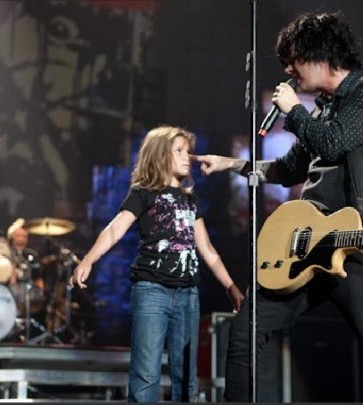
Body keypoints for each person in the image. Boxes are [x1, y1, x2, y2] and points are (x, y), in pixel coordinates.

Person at [192, 12, 363, 402]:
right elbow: (288, 169)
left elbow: (332, 143)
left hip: (352, 243)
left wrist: (295, 110)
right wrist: (231, 164)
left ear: (321, 55)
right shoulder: (321, 110)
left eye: (293, 60)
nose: (288, 70)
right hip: (303, 246)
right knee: (246, 329)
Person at [70, 125, 244, 402]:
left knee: (186, 377)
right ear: (160, 156)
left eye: (188, 151)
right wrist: (89, 260)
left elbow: (208, 250)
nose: (187, 157)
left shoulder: (191, 200)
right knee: (145, 375)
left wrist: (231, 286)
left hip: (188, 294)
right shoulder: (143, 193)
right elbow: (115, 229)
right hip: (152, 291)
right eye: (179, 151)